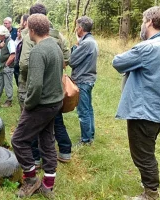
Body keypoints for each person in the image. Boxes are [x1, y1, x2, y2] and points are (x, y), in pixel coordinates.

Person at [112, 5, 160, 200]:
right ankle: (149, 184)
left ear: (149, 22)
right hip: (157, 107)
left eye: (142, 21)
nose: (141, 25)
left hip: (143, 109)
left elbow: (118, 61)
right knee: (148, 148)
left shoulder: (147, 47)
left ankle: (151, 193)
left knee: (143, 154)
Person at [11, 14, 63, 199]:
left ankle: (31, 180)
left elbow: (36, 85)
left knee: (18, 140)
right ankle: (48, 185)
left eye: (27, 29)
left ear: (31, 30)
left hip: (41, 105)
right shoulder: (55, 46)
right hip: (55, 103)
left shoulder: (38, 52)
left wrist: (28, 105)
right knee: (47, 142)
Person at [19, 3, 72, 166]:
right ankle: (62, 154)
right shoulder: (57, 37)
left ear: (31, 26)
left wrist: (28, 103)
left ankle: (33, 163)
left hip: (41, 96)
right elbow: (67, 58)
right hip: (55, 92)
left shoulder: (33, 41)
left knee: (22, 137)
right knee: (52, 130)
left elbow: (25, 65)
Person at [69, 16, 98, 146]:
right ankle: (90, 136)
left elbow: (72, 60)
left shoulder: (86, 43)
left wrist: (75, 47)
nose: (76, 29)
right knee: (88, 109)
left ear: (80, 28)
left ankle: (86, 140)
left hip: (83, 80)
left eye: (77, 26)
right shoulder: (91, 41)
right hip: (88, 79)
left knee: (83, 111)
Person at [0, 25, 16, 108]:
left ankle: (9, 100)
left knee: (8, 84)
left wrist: (6, 65)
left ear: (3, 35)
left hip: (7, 67)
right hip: (2, 67)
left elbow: (13, 55)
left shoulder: (10, 42)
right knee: (0, 83)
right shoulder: (1, 42)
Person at [13, 14, 29, 87]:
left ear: (25, 22)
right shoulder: (20, 33)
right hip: (18, 65)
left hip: (23, 68)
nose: (20, 23)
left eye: (21, 21)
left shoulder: (27, 35)